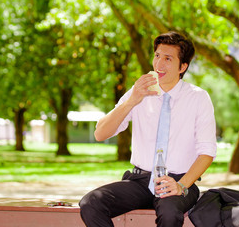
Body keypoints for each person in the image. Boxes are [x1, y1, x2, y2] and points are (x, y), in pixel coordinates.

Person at [79, 31, 217, 227]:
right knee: (91, 203)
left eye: (168, 59)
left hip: (178, 181)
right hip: (140, 180)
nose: (159, 64)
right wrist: (131, 101)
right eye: (157, 56)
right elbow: (100, 133)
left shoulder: (198, 98)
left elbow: (207, 152)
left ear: (183, 66)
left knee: (169, 213)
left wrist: (181, 185)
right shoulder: (139, 92)